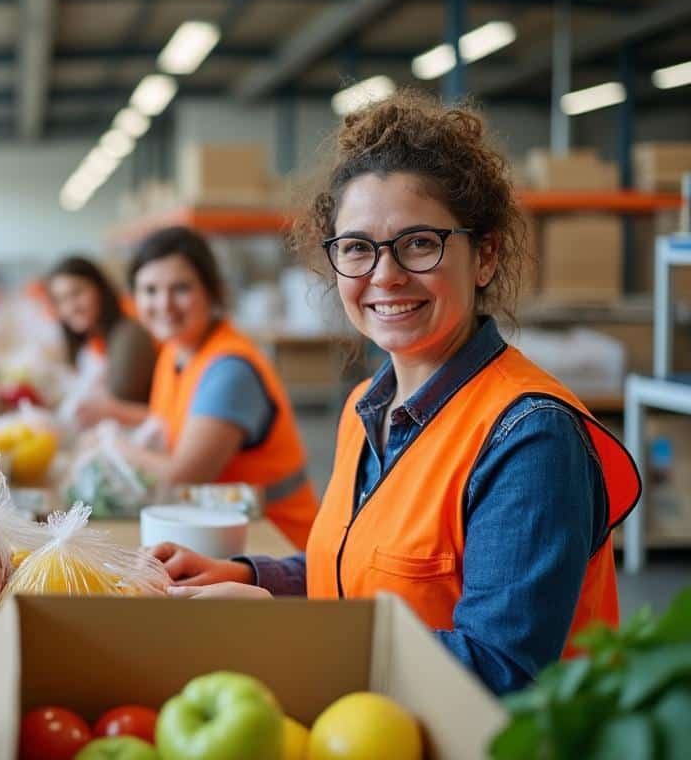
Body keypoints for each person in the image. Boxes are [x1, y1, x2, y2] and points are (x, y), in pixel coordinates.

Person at [152, 91, 639, 695]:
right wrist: (251, 574)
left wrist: (275, 626)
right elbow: (354, 569)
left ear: (484, 255)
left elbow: (500, 669)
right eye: (357, 247)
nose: (385, 275)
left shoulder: (529, 437)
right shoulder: (367, 408)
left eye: (419, 243)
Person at [111, 227, 319, 548]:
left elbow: (184, 475)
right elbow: (174, 422)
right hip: (220, 532)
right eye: (150, 290)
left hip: (276, 543)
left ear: (212, 293)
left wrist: (117, 447)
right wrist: (108, 416)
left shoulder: (229, 370)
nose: (163, 304)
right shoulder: (176, 351)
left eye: (180, 289)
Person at [45, 256, 157, 426]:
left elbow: (122, 399)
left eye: (77, 293)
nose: (71, 307)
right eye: (60, 300)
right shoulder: (92, 337)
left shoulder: (129, 335)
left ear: (100, 289)